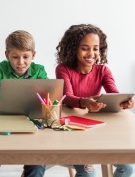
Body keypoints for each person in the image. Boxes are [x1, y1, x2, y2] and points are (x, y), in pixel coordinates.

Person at [55, 24, 134, 177]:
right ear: (73, 49)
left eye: (95, 48)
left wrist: (125, 102)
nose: (91, 53)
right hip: (74, 131)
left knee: (128, 168)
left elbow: (114, 94)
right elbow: (68, 97)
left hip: (98, 130)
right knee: (88, 174)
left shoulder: (103, 70)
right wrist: (85, 102)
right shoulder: (63, 69)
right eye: (85, 48)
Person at [0, 30, 47, 177]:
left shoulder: (39, 71)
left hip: (31, 124)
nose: (20, 62)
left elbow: (48, 96)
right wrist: (0, 101)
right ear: (7, 55)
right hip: (2, 123)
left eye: (25, 57)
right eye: (15, 57)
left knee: (37, 164)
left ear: (33, 55)